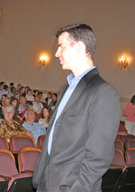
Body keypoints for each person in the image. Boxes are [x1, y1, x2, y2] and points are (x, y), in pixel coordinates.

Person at [32, 24, 120, 192]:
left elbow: (99, 155)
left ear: (79, 47)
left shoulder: (103, 92)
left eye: (61, 46)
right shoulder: (68, 88)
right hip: (46, 182)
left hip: (71, 187)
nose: (57, 53)